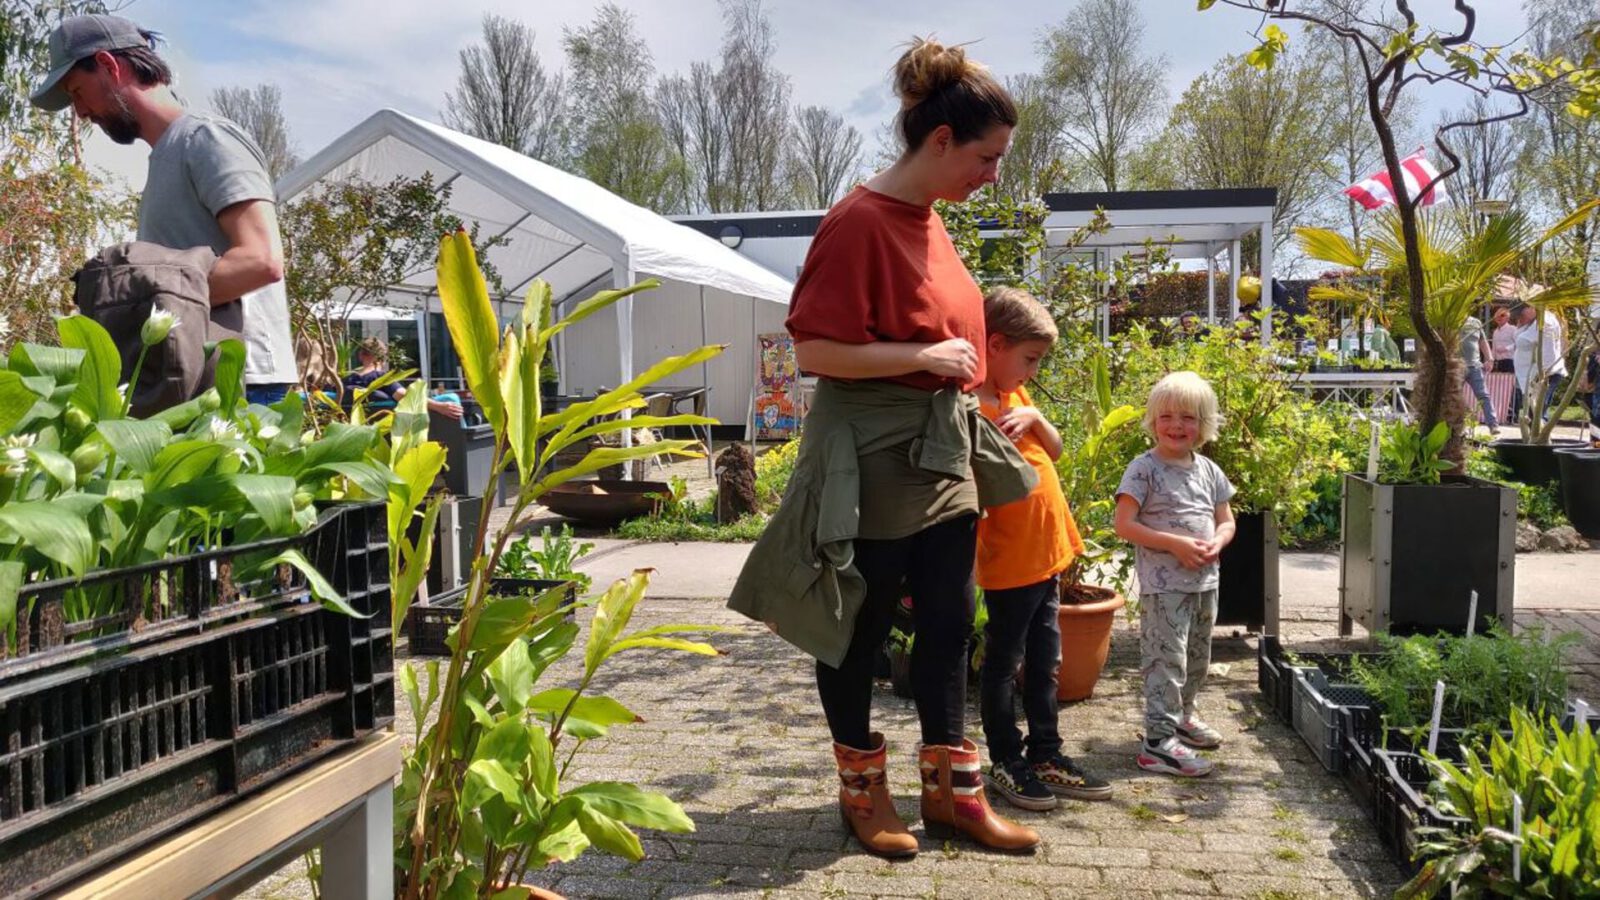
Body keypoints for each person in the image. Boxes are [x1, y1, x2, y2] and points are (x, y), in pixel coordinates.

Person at [727, 37, 1041, 858]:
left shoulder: (933, 223)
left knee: (950, 621)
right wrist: (922, 357)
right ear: (940, 141)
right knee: (859, 631)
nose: (993, 174)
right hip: (871, 455)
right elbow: (814, 354)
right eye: (987, 156)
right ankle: (864, 790)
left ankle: (953, 794)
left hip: (943, 453)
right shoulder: (859, 221)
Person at [32, 14, 297, 405]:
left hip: (240, 381)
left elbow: (261, 261)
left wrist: (130, 309)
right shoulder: (169, 155)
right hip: (194, 375)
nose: (81, 113)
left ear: (108, 65)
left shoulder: (206, 139)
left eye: (77, 92)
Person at [972, 287, 1112, 811]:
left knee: (1047, 660)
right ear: (995, 343)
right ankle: (1007, 758)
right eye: (1028, 359)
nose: (1031, 370)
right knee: (1004, 662)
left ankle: (1046, 752)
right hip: (1011, 563)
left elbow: (1054, 449)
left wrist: (1036, 420)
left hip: (1047, 555)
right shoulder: (972, 409)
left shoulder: (1015, 398)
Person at [1114, 372, 1236, 778]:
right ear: (1152, 421)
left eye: (1187, 417)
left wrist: (1216, 543)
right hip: (1164, 588)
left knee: (1197, 658)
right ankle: (1157, 741)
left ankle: (1184, 716)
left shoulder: (1208, 470)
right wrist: (1175, 544)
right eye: (1166, 416)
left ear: (1204, 424)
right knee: (1166, 660)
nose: (1176, 426)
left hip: (1205, 581)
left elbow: (1227, 520)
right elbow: (1125, 525)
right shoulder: (1143, 469)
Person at [344, 337, 463, 418]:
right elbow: (404, 396)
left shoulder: (345, 381)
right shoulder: (381, 378)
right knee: (451, 398)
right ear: (382, 357)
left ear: (360, 356)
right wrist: (438, 406)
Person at [1511, 302, 1567, 422]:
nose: (1519, 318)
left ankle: (1540, 438)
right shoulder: (1531, 322)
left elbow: (1548, 352)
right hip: (1530, 376)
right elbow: (1518, 338)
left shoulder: (1546, 322)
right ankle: (1535, 437)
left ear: (1531, 307)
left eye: (1521, 314)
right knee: (1532, 413)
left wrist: (1542, 377)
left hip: (1545, 374)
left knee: (1538, 411)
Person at [1459, 315, 1498, 431]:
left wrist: (1490, 358)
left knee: (1483, 395)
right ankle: (1457, 425)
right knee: (1454, 396)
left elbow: (1483, 341)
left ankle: (1493, 424)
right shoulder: (1450, 318)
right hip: (1456, 366)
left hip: (1475, 366)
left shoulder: (1476, 322)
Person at [1490, 306, 1517, 374]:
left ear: (1507, 318)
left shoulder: (1513, 329)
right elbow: (1493, 348)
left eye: (1502, 315)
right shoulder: (1495, 332)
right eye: (1497, 315)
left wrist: (1506, 348)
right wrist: (1491, 361)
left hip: (1511, 361)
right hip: (1498, 363)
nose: (1499, 317)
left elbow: (1518, 344)